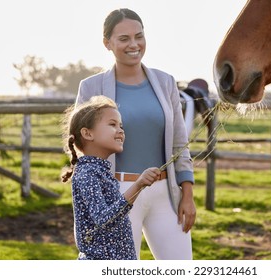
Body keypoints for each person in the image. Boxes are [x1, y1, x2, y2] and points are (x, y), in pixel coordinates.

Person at [75, 8, 196, 259]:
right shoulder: (91, 87)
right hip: (117, 193)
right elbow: (81, 144)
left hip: (166, 194)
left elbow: (179, 143)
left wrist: (187, 193)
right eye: (124, 39)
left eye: (139, 36)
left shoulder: (166, 82)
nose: (134, 44)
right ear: (107, 43)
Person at [61, 95, 161, 260]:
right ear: (87, 133)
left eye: (121, 126)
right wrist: (138, 185)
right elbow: (103, 218)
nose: (121, 130)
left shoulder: (101, 171)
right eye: (112, 124)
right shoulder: (87, 174)